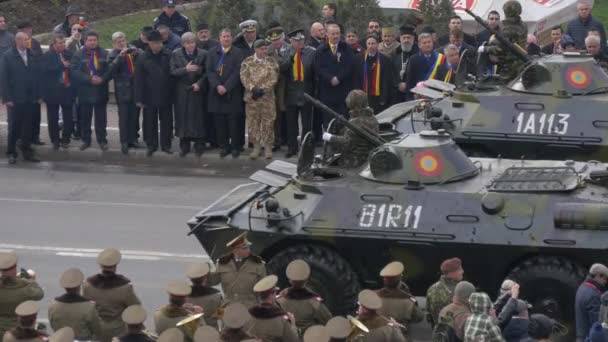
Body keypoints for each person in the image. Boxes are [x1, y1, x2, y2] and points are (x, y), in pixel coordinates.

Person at [83, 248, 141, 342]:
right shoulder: (125, 288)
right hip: (118, 331)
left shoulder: (88, 285)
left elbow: (85, 308)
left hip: (96, 331)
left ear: (100, 265)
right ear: (116, 265)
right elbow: (135, 308)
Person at [1, 32, 42, 164]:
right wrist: (7, 98)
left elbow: (37, 76)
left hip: (30, 98)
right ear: (18, 41)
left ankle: (26, 151)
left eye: (28, 39)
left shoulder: (32, 54)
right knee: (14, 126)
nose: (28, 42)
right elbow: (4, 79)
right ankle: (11, 152)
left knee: (27, 126)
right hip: (15, 98)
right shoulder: (8, 56)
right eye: (25, 40)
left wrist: (39, 95)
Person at [134, 29, 174, 157]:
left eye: (159, 42)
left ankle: (166, 145)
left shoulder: (168, 55)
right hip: (148, 95)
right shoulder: (142, 57)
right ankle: (151, 145)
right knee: (149, 121)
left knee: (167, 121)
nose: (158, 45)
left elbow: (173, 75)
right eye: (155, 43)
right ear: (149, 43)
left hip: (166, 94)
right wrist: (139, 98)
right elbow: (138, 79)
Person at [238, 39, 279, 160]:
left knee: (268, 122)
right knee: (253, 123)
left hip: (267, 98)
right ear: (255, 49)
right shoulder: (248, 61)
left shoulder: (271, 61)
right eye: (262, 49)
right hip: (252, 98)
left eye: (266, 48)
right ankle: (256, 147)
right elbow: (244, 76)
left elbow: (274, 78)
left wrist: (262, 89)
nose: (264, 51)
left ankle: (267, 147)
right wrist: (252, 88)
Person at [206, 29, 244, 158]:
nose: (226, 39)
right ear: (219, 38)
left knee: (233, 123)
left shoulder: (238, 53)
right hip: (217, 93)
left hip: (232, 93)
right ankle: (224, 146)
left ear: (231, 38)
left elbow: (238, 72)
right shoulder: (212, 53)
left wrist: (226, 87)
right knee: (220, 123)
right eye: (224, 36)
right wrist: (217, 85)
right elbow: (210, 71)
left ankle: (235, 147)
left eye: (228, 36)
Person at [70, 30, 110, 151]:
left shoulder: (104, 53)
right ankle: (86, 140)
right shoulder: (78, 54)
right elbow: (74, 71)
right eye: (90, 40)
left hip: (100, 91)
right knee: (85, 118)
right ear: (85, 41)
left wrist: (102, 79)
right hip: (85, 91)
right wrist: (89, 79)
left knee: (101, 119)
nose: (92, 42)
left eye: (94, 40)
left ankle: (102, 140)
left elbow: (110, 71)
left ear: (98, 41)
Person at [171, 32, 208, 157]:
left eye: (192, 42)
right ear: (183, 44)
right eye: (187, 43)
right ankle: (184, 146)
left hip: (197, 89)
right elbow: (172, 72)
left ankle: (199, 145)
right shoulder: (176, 54)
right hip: (182, 91)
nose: (190, 45)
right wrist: (185, 69)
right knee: (183, 118)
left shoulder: (203, 54)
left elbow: (208, 72)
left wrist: (199, 84)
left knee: (198, 118)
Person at [206, 233, 266, 308]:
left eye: (248, 247)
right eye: (244, 248)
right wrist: (206, 273)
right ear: (235, 249)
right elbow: (213, 281)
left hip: (250, 307)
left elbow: (264, 288)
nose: (248, 250)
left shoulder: (258, 264)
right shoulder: (223, 263)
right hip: (228, 307)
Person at [322, 89, 379, 168]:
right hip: (368, 160)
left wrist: (330, 137)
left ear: (354, 105)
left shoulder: (356, 122)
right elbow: (355, 138)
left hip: (354, 162)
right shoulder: (372, 118)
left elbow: (345, 145)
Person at [314, 22, 354, 125]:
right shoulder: (320, 50)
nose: (336, 36)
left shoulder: (347, 48)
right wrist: (330, 78)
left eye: (338, 33)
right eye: (333, 34)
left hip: (343, 92)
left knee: (344, 122)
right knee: (329, 122)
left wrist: (338, 78)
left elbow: (348, 66)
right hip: (328, 92)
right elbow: (319, 68)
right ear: (327, 34)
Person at [283, 28, 315, 158]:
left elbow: (314, 73)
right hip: (291, 92)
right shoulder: (287, 53)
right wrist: (292, 55)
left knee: (307, 123)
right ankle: (292, 147)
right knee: (292, 123)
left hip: (306, 91)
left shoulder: (310, 53)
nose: (300, 42)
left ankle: (306, 147)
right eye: (297, 40)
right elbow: (282, 69)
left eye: (302, 40)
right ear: (291, 41)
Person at [276, 260, 332, 334]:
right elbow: (328, 320)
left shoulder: (280, 300)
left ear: (290, 280)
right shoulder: (314, 302)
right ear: (307, 280)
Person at [107, 32, 140, 155]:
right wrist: (120, 57)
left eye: (122, 40)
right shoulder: (113, 55)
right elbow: (110, 71)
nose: (121, 43)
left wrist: (137, 52)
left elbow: (142, 56)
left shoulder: (132, 50)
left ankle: (133, 139)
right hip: (122, 90)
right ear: (114, 43)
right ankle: (124, 141)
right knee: (124, 117)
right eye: (118, 41)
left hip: (135, 88)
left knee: (134, 116)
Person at [478, 0, 527, 81]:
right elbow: (512, 42)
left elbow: (501, 49)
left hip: (509, 67)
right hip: (520, 64)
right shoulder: (523, 25)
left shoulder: (507, 28)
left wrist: (485, 48)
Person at [48, 268, 102, 340]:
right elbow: (98, 330)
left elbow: (53, 326)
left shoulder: (53, 306)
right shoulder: (89, 307)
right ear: (79, 286)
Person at [40, 33, 74, 150]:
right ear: (54, 44)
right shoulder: (47, 56)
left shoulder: (69, 54)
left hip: (67, 89)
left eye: (64, 42)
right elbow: (45, 71)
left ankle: (66, 139)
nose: (63, 45)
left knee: (68, 117)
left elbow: (74, 68)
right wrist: (61, 65)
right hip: (52, 91)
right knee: (53, 117)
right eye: (60, 43)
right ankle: (55, 140)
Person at [0, 251, 44, 338]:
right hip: (17, 333)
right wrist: (30, 280)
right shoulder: (25, 289)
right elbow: (40, 294)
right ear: (14, 269)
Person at [375, 262, 423, 340]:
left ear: (384, 280)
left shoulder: (373, 296)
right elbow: (419, 317)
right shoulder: (407, 299)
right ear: (399, 279)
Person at [16, 20, 44, 146]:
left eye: (29, 28)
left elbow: (41, 61)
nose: (29, 31)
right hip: (21, 86)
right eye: (25, 29)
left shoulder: (36, 43)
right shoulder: (15, 45)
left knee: (36, 113)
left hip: (36, 84)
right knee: (21, 115)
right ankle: (21, 137)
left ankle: (35, 136)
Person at [248, 275, 299, 342]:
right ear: (273, 294)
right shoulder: (282, 319)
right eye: (275, 292)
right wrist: (293, 324)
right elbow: (293, 340)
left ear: (259, 296)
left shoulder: (248, 315)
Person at [353, 35, 394, 114]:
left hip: (378, 97)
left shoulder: (385, 60)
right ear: (366, 45)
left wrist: (384, 98)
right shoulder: (358, 59)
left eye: (373, 43)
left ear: (378, 44)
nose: (371, 46)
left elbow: (386, 80)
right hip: (363, 96)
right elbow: (356, 79)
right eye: (369, 44)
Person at [426, 257, 464, 328]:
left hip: (438, 331)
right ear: (451, 273)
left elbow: (428, 313)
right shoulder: (457, 290)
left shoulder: (432, 288)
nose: (462, 271)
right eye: (459, 270)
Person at [405, 33, 444, 100]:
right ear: (419, 45)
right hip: (419, 96)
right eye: (424, 43)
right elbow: (409, 80)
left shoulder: (441, 58)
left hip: (437, 95)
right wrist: (411, 96)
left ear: (432, 43)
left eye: (429, 42)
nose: (427, 45)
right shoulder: (413, 59)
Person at [575, 263, 608, 342]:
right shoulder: (594, 296)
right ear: (598, 276)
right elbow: (597, 326)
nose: (605, 282)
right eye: (605, 279)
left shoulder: (582, 287)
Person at [185, 263, 222, 329]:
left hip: (191, 332)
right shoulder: (217, 297)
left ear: (191, 279)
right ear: (205, 278)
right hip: (211, 332)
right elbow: (221, 316)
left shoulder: (183, 296)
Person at [392, 25, 418, 103]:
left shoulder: (418, 55)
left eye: (409, 38)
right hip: (397, 95)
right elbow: (392, 73)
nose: (406, 40)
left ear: (413, 39)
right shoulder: (395, 54)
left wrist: (408, 85)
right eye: (404, 38)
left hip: (413, 94)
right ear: (400, 39)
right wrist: (398, 83)